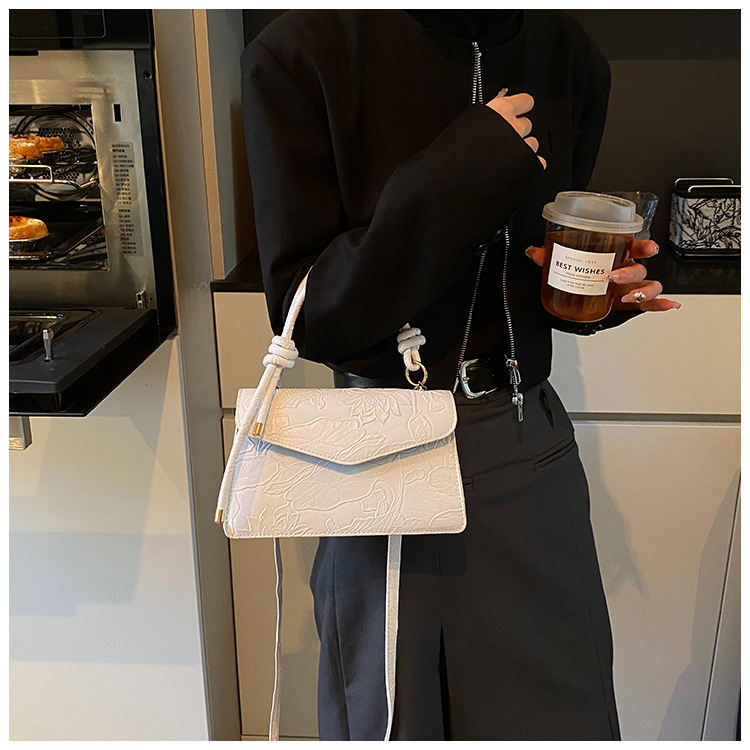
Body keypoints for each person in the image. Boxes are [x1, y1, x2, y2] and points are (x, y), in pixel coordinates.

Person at [240, 10, 680, 741]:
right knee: (393, 721)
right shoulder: (303, 52)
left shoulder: (569, 58)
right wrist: (463, 167)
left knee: (558, 720)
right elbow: (313, 316)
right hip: (382, 459)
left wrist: (593, 296)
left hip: (528, 450)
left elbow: (526, 273)